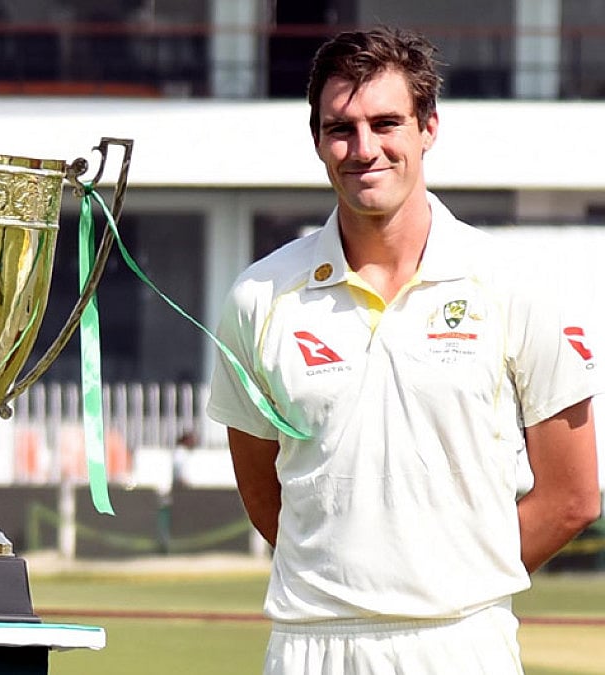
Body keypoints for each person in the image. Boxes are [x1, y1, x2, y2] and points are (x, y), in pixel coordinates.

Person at [206, 28, 602, 674]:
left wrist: (453, 587)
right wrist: (347, 585)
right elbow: (262, 488)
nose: (364, 148)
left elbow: (573, 496)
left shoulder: (512, 282)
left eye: (386, 123)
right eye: (341, 128)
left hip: (461, 643)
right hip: (310, 646)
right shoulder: (259, 296)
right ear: (317, 142)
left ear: (429, 127)